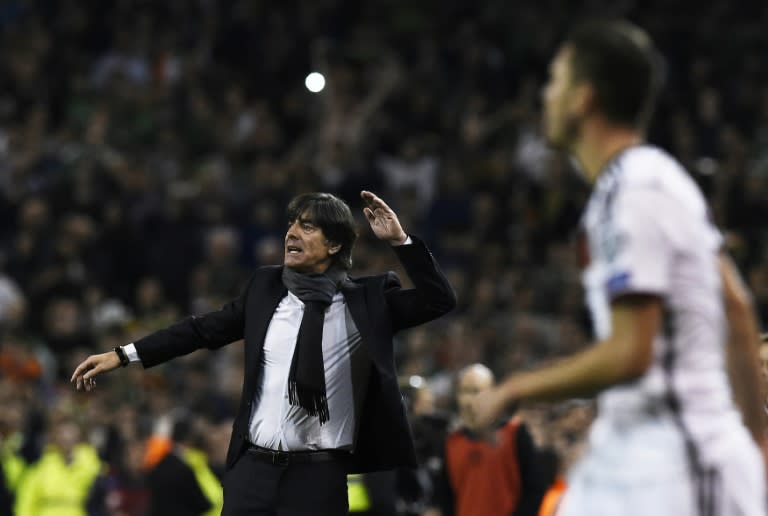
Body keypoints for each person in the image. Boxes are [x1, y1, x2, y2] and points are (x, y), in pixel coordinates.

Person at [466, 20, 767, 516]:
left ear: (583, 99)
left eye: (555, 81)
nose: (545, 95)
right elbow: (735, 310)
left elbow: (631, 353)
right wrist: (755, 447)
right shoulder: (642, 181)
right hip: (632, 453)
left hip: (678, 461)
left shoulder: (636, 190)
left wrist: (516, 388)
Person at [72, 190, 456, 515]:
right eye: (291, 223)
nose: (292, 232)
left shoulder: (367, 303)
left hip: (318, 478)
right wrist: (124, 354)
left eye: (308, 226)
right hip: (252, 471)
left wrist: (400, 241)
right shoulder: (265, 287)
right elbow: (200, 330)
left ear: (335, 244)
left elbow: (438, 300)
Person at [436, 363, 546, 516]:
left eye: (476, 391)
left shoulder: (515, 434)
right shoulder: (451, 443)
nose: (468, 400)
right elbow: (446, 499)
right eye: (463, 392)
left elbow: (535, 490)